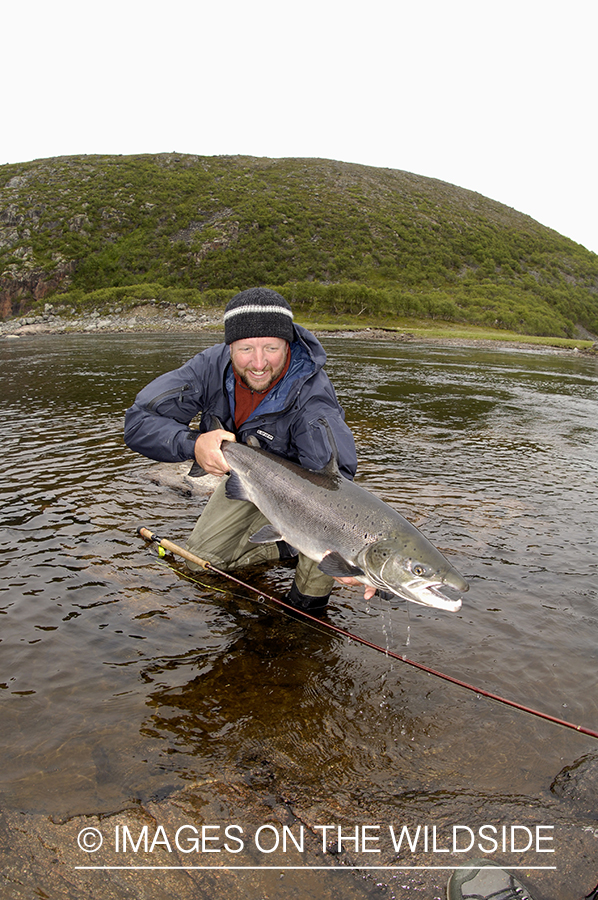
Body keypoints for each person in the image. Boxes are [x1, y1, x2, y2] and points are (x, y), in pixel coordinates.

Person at [124, 287, 370, 611]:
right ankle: (285, 548)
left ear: (288, 343)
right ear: (229, 347)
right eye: (245, 349)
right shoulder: (209, 367)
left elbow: (336, 481)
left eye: (271, 347)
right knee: (201, 562)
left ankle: (307, 601)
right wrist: (194, 444)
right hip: (248, 475)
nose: (258, 363)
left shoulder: (311, 396)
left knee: (314, 587)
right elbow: (139, 421)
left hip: (308, 497)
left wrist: (354, 560)